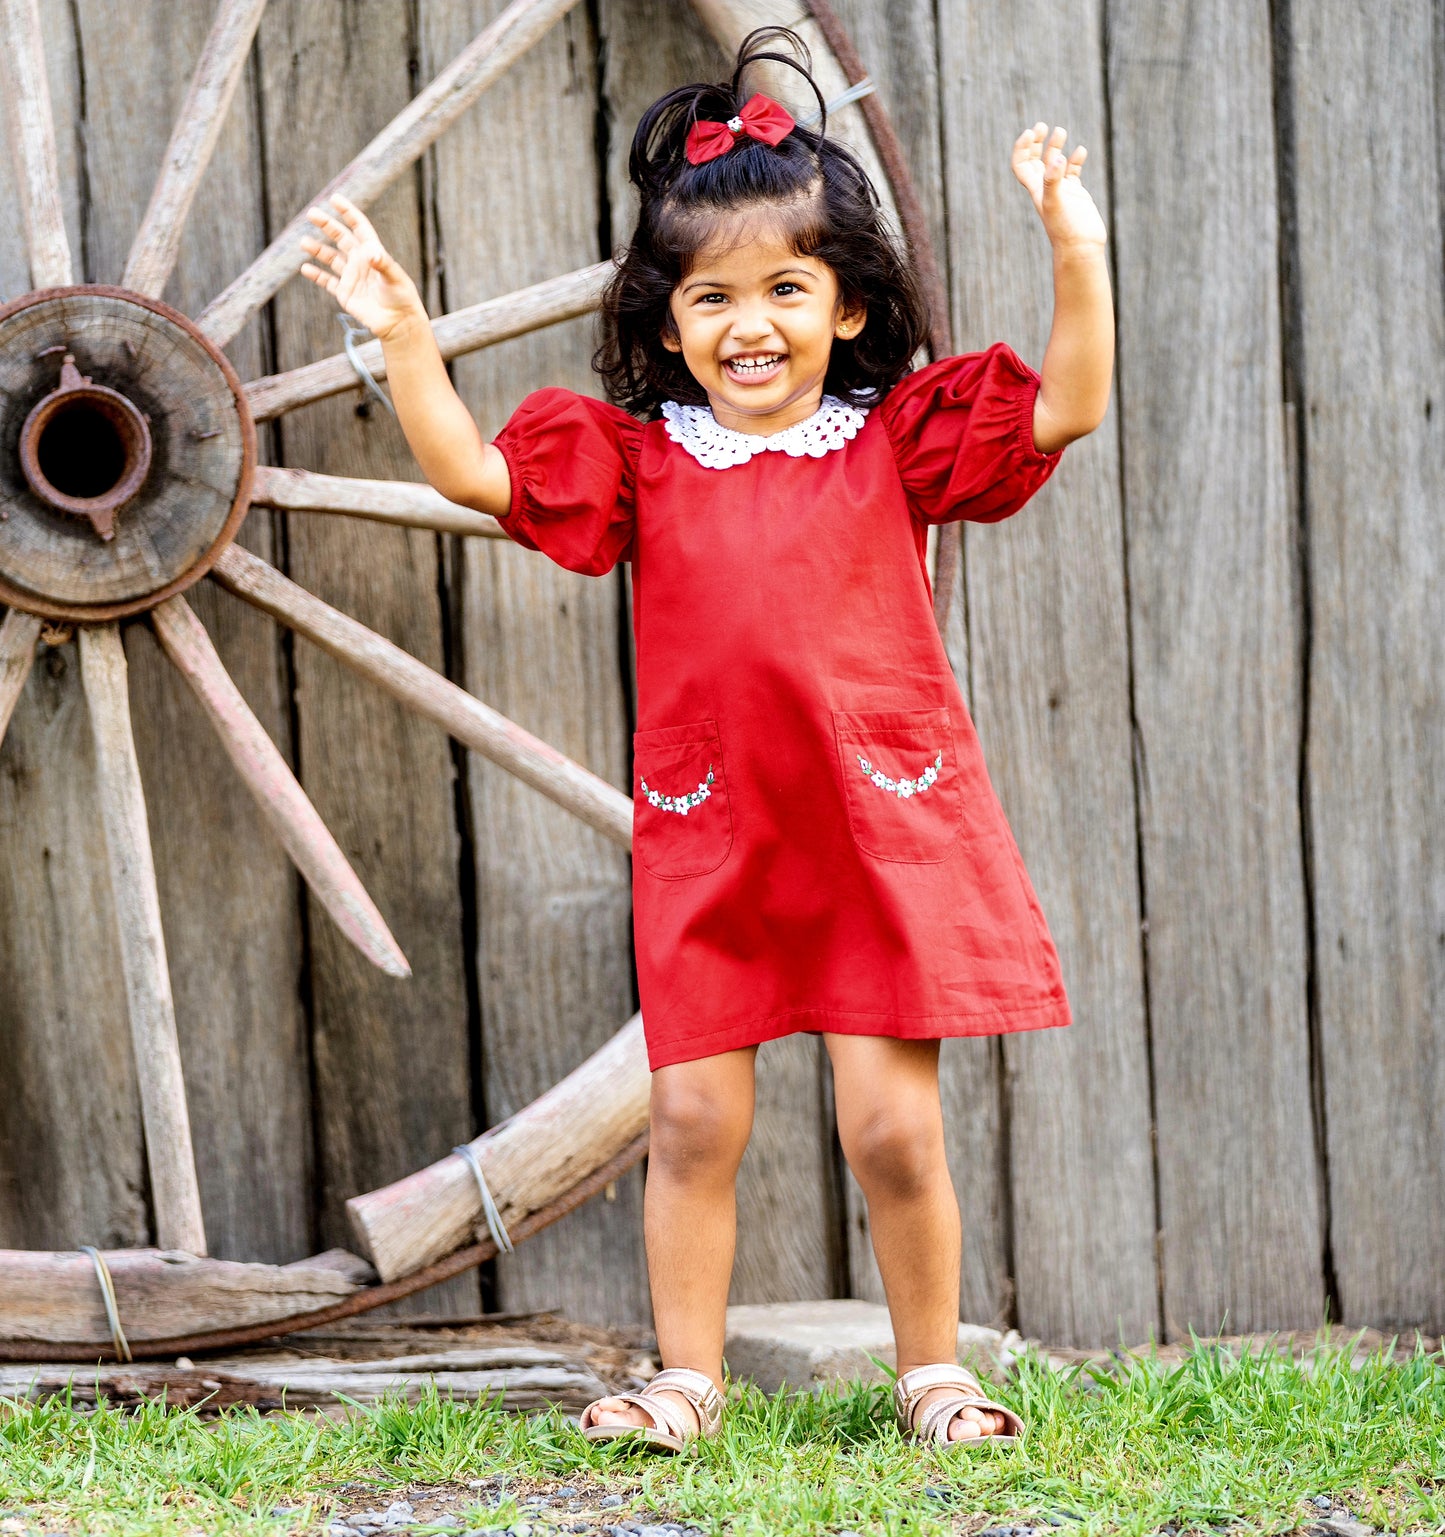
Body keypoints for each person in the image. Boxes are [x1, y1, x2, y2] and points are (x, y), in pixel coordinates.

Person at [300, 26, 1112, 1455]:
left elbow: (1066, 403)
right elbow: (473, 473)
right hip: (715, 833)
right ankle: (686, 1374)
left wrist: (1072, 248)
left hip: (877, 822)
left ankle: (929, 1370)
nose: (751, 321)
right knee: (688, 1124)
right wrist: (404, 338)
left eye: (787, 288)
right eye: (712, 295)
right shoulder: (638, 461)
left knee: (892, 1130)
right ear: (667, 323)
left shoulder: (895, 443)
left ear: (850, 309)